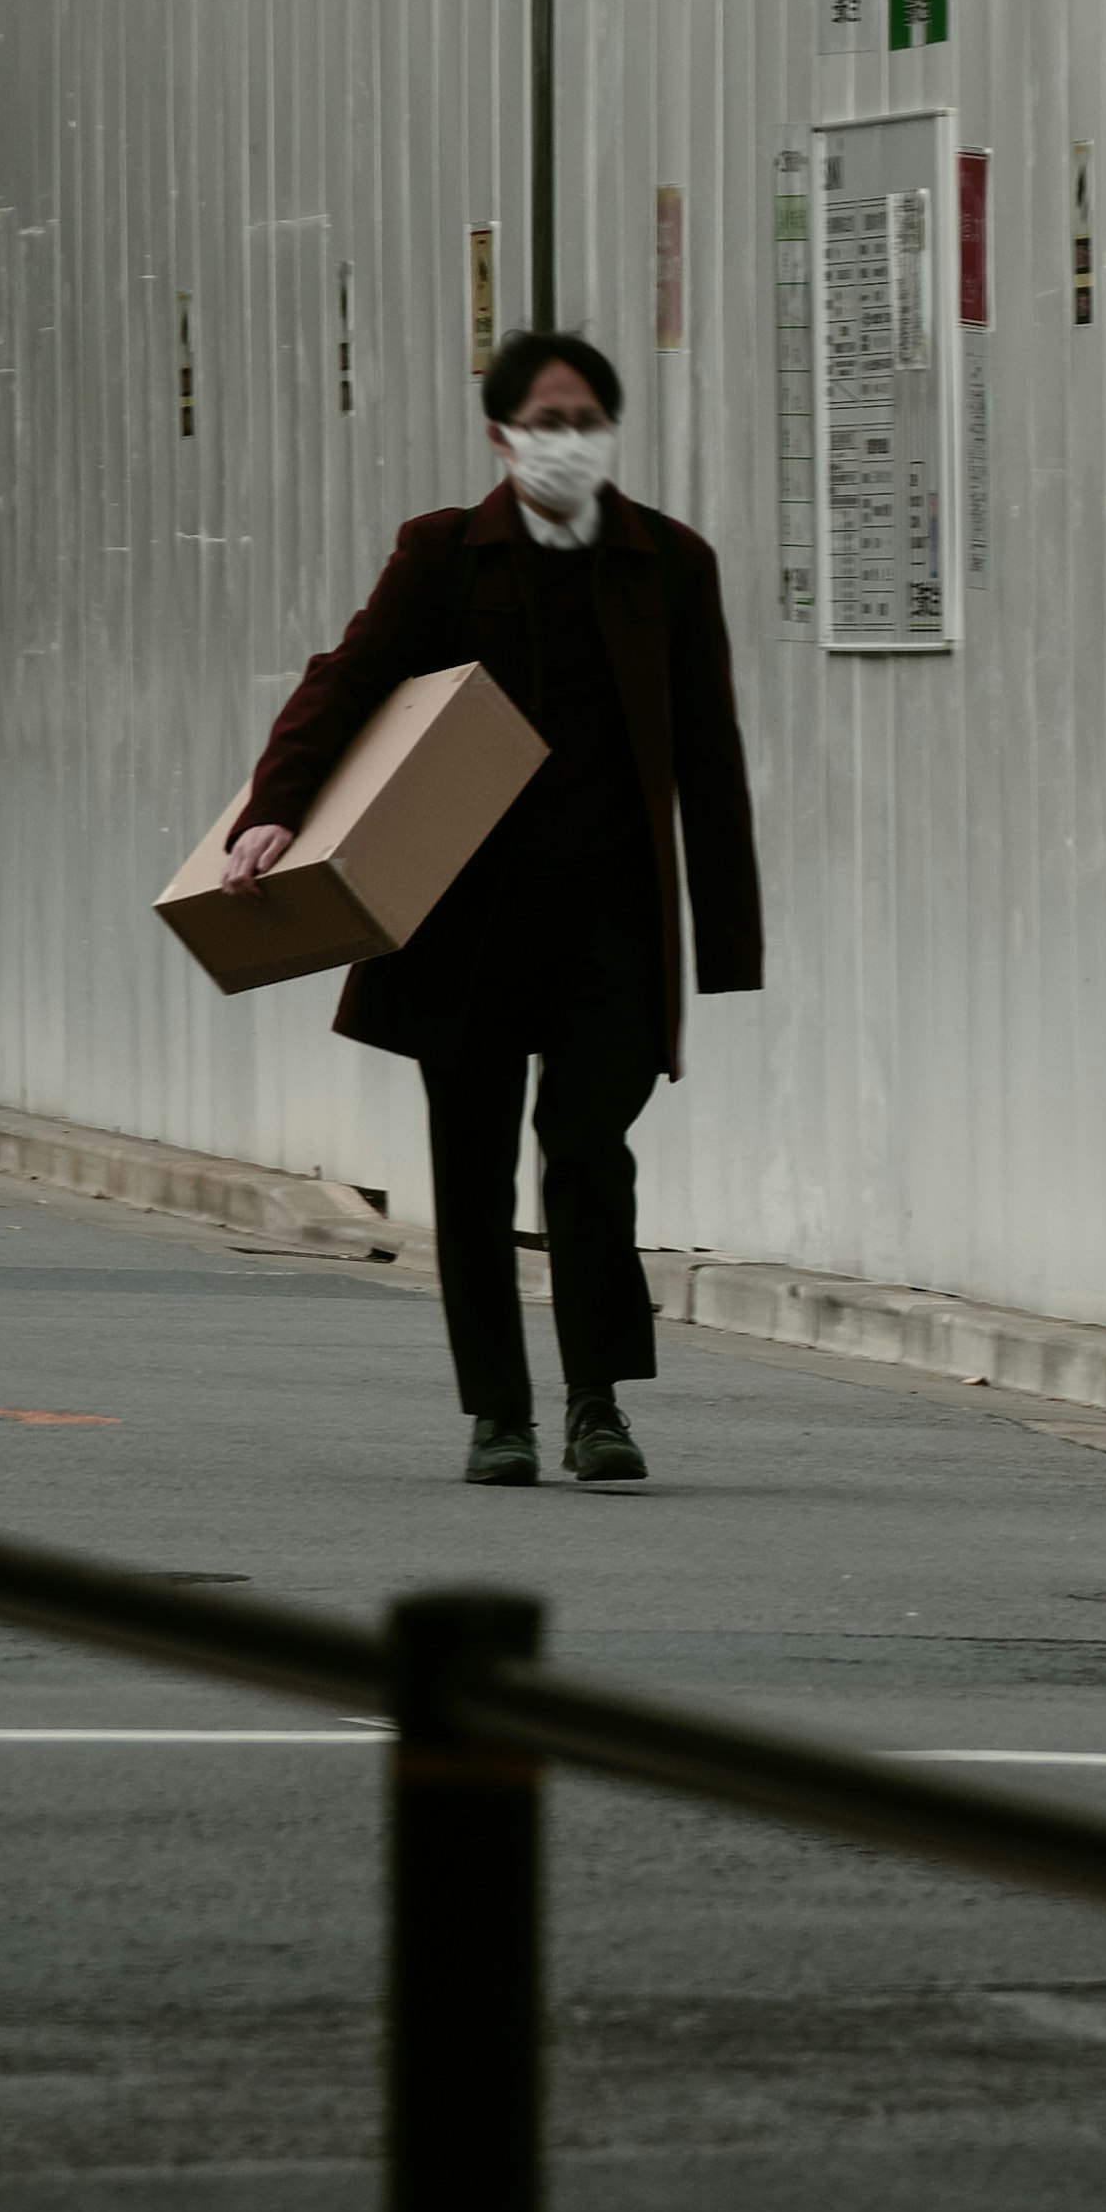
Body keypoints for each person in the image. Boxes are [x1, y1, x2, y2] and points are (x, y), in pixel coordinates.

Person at [222, 330, 762, 1490]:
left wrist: (724, 936)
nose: (564, 440)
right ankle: (497, 1414)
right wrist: (276, 811)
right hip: (465, 911)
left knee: (587, 1150)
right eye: (544, 420)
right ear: (500, 433)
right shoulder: (444, 555)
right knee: (469, 1165)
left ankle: (597, 1400)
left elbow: (708, 747)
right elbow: (347, 679)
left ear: (609, 431)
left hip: (611, 915)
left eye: (584, 420)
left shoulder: (668, 560)